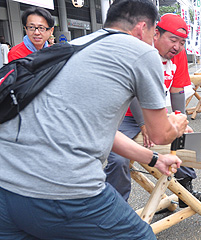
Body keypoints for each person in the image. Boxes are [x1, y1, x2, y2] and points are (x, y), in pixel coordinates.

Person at [0, 1, 189, 239]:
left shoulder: (74, 47)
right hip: (61, 190)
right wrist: (178, 123)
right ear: (142, 29)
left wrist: (153, 158)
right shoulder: (141, 51)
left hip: (5, 186)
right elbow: (161, 134)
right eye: (153, 34)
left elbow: (98, 131)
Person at [105, 13, 201, 206]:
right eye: (173, 40)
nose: (177, 47)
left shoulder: (178, 55)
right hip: (123, 115)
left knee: (183, 140)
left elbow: (177, 91)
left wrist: (180, 122)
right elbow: (131, 92)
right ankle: (116, 208)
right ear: (156, 34)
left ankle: (185, 191)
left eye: (182, 42)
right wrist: (143, 123)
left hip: (155, 111)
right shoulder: (141, 51)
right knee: (119, 160)